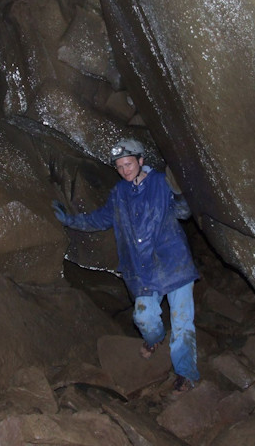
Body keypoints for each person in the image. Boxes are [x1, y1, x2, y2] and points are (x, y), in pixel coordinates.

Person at [52, 138, 200, 392]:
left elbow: (183, 211)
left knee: (182, 322)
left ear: (141, 161)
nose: (124, 170)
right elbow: (101, 219)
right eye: (119, 166)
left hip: (173, 263)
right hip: (142, 271)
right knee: (144, 318)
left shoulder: (160, 183)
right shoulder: (119, 193)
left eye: (128, 163)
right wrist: (69, 220)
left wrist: (180, 193)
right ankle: (155, 340)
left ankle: (186, 374)